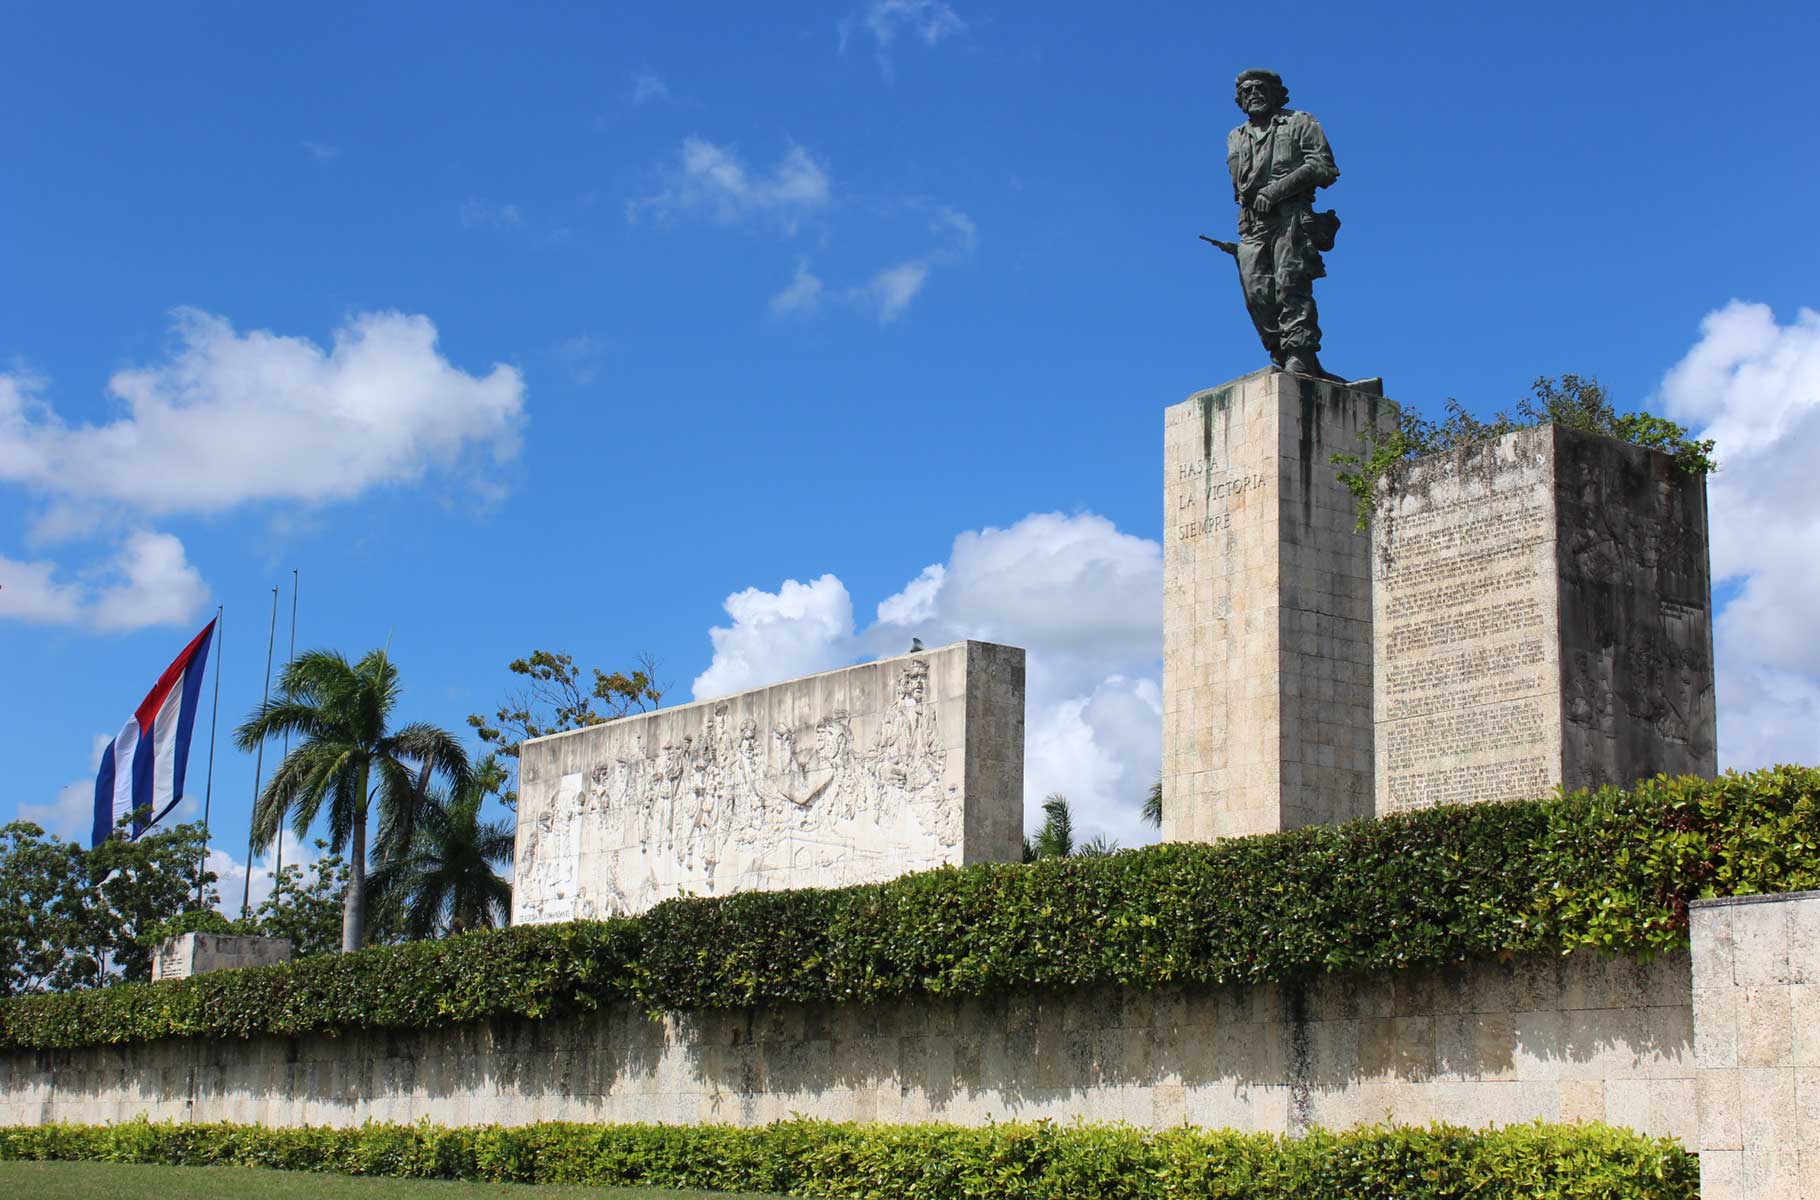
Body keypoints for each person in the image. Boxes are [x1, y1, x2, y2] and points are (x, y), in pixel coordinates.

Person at [1225, 69, 1340, 378]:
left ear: (1277, 93)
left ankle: (1300, 354)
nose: (1253, 94)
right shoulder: (1236, 136)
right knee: (1257, 293)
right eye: (1246, 91)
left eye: (1260, 88)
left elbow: (1324, 167)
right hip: (1253, 225)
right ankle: (1280, 351)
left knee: (1291, 285)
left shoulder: (1299, 122)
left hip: (1292, 217)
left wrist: (1277, 190)